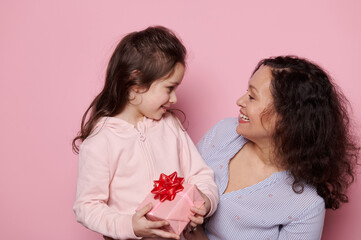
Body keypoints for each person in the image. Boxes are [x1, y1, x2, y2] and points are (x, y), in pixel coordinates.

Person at [183, 56, 359, 240]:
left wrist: (197, 234)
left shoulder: (305, 205)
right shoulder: (224, 132)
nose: (240, 101)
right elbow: (178, 182)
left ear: (286, 119)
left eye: (252, 97)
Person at [72, 26, 219, 240]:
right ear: (137, 83)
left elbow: (201, 174)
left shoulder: (170, 125)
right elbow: (87, 206)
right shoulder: (102, 141)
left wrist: (205, 201)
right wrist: (129, 225)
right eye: (169, 88)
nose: (174, 99)